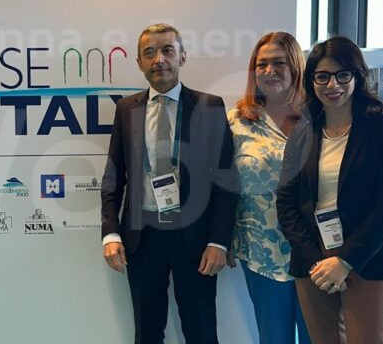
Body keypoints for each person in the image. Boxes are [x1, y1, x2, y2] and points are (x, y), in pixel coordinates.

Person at [101, 23, 239, 344]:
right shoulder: (126, 109)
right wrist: (111, 233)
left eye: (167, 50)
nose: (158, 59)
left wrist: (219, 241)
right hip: (143, 237)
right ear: (139, 62)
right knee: (147, 333)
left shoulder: (209, 106)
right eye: (149, 53)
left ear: (182, 56)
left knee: (201, 333)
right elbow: (113, 177)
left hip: (195, 239)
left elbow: (226, 179)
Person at [276, 36, 383, 344]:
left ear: (357, 76)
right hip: (315, 262)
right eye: (322, 76)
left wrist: (345, 260)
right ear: (311, 81)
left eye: (342, 75)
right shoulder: (302, 133)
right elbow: (286, 201)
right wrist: (315, 260)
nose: (332, 85)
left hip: (369, 257)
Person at [227, 32, 311, 344]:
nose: (269, 71)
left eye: (279, 63)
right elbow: (222, 184)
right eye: (261, 64)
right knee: (274, 338)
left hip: (317, 250)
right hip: (262, 250)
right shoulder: (237, 121)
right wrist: (223, 237)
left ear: (296, 66)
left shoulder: (319, 117)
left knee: (318, 337)